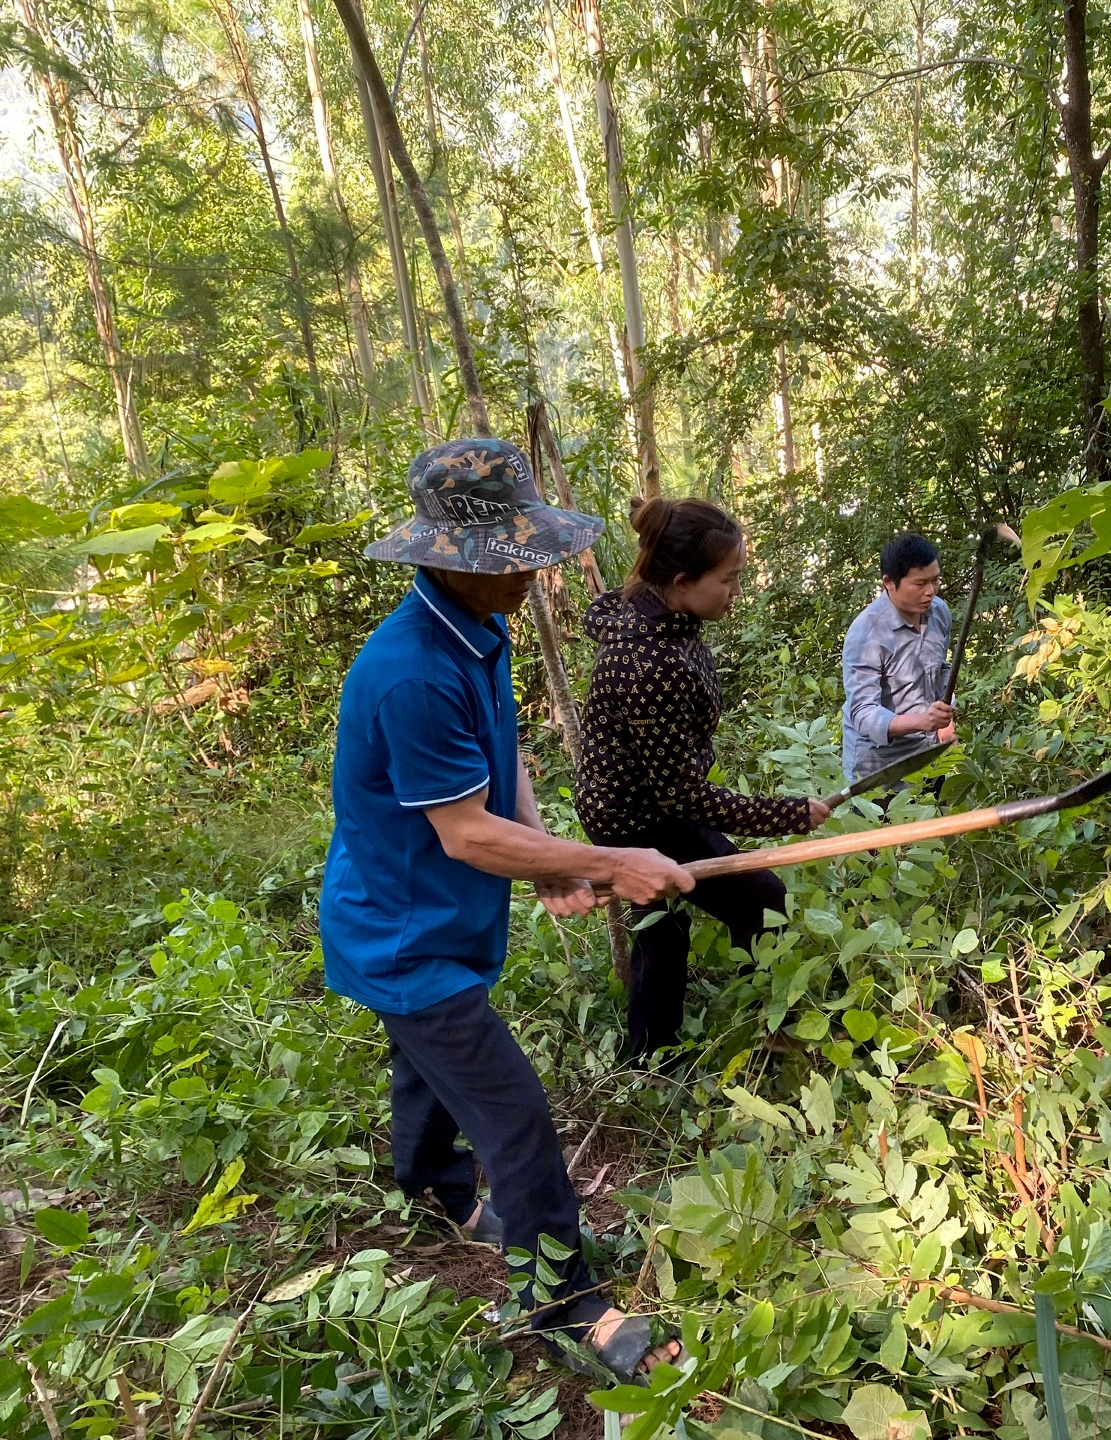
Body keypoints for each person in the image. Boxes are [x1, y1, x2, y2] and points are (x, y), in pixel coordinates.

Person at [319, 437, 692, 1382]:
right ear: (448, 559)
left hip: (440, 922)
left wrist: (550, 862)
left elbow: (502, 766)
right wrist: (608, 859)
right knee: (515, 1114)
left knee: (423, 1069)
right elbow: (463, 834)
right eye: (513, 557)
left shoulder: (478, 630)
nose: (533, 571)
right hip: (405, 937)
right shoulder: (409, 670)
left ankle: (434, 1190)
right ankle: (562, 1302)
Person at [576, 497, 829, 1062]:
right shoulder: (651, 666)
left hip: (643, 799)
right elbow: (681, 795)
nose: (737, 592)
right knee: (734, 907)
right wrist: (786, 813)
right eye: (729, 579)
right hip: (633, 816)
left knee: (682, 921)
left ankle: (686, 1044)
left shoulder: (656, 614)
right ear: (683, 580)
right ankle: (653, 1062)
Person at [840, 532, 955, 785]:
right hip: (878, 771)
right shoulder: (866, 634)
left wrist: (946, 716)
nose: (931, 591)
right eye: (919, 583)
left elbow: (941, 671)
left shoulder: (939, 613)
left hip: (928, 758)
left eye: (935, 580)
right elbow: (862, 713)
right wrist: (924, 721)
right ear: (889, 583)